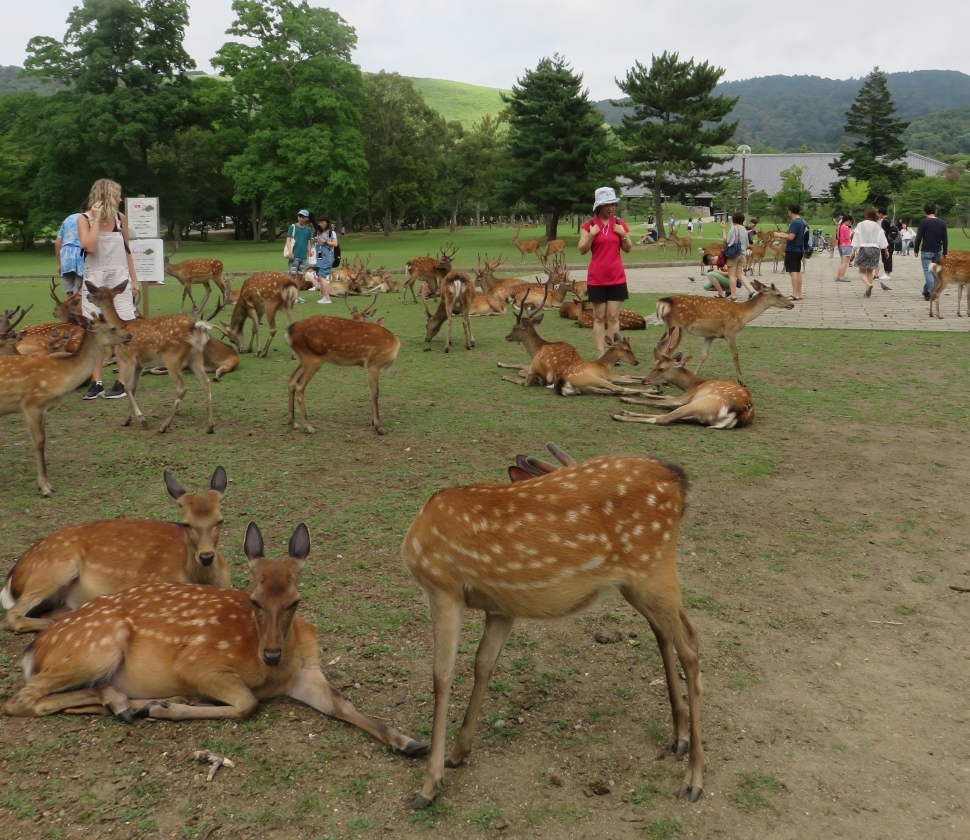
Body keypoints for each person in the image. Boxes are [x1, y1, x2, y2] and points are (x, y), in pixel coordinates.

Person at [76, 178, 139, 400]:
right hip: (95, 279)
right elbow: (90, 247)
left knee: (122, 327)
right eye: (117, 195)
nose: (121, 199)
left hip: (118, 279)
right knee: (95, 331)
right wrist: (94, 219)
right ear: (107, 196)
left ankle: (122, 381)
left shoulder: (120, 220)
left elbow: (127, 251)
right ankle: (97, 382)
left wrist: (134, 279)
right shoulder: (83, 219)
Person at [578, 187, 633, 356]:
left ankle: (615, 352)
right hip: (597, 279)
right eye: (606, 204)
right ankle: (601, 353)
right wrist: (591, 235)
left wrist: (623, 234)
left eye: (613, 204)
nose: (610, 208)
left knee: (613, 317)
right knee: (599, 317)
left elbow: (628, 249)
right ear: (598, 206)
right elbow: (582, 249)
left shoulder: (619, 223)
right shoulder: (589, 225)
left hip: (617, 277)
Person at [769, 203, 807, 301]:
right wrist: (782, 234)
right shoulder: (802, 221)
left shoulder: (795, 222)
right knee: (797, 272)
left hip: (792, 249)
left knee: (793, 272)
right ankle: (799, 293)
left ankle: (795, 294)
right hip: (799, 249)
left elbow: (791, 237)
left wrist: (778, 235)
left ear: (790, 211)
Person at [850, 206, 888, 298]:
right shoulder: (878, 226)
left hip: (863, 248)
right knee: (870, 272)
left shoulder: (860, 224)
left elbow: (856, 238)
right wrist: (886, 250)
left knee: (862, 271)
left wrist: (853, 251)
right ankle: (868, 289)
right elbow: (882, 239)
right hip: (875, 249)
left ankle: (868, 284)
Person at [913, 203, 948, 301]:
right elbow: (945, 239)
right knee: (934, 272)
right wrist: (945, 252)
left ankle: (932, 291)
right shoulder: (942, 222)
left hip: (926, 250)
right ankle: (926, 291)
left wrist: (916, 249)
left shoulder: (923, 222)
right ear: (935, 210)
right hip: (937, 250)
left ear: (924, 212)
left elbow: (919, 237)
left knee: (928, 271)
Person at [719, 212, 755, 300]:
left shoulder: (733, 229)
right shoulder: (744, 229)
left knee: (732, 276)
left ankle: (733, 295)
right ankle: (751, 291)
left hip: (733, 255)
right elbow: (747, 243)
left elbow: (727, 241)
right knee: (739, 275)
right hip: (742, 254)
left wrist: (723, 229)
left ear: (733, 220)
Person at [285, 209, 314, 303]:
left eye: (303, 217)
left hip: (303, 257)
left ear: (306, 218)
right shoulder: (293, 227)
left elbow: (308, 242)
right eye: (300, 216)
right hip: (294, 256)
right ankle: (290, 296)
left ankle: (297, 295)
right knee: (291, 276)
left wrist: (310, 254)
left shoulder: (308, 230)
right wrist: (290, 252)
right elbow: (288, 240)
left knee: (300, 277)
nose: (301, 218)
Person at [54, 210, 85, 296]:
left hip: (66, 259)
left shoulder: (68, 219)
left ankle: (68, 309)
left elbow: (57, 243)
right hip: (81, 258)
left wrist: (59, 264)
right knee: (79, 293)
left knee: (69, 293)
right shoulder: (88, 219)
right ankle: (77, 309)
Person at [313, 217, 338, 304]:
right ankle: (325, 296)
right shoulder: (320, 233)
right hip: (320, 258)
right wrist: (315, 240)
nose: (321, 224)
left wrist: (323, 241)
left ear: (327, 222)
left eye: (322, 222)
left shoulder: (331, 233)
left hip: (327, 258)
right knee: (320, 277)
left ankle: (327, 298)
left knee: (322, 277)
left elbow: (335, 244)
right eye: (319, 222)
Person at [876, 208, 896, 282]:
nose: (877, 215)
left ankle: (886, 273)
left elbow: (883, 232)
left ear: (881, 213)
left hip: (886, 242)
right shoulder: (890, 220)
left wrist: (880, 240)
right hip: (891, 241)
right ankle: (888, 273)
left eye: (878, 213)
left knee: (885, 257)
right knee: (889, 257)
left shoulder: (884, 221)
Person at [835, 214, 853, 282]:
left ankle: (838, 276)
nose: (850, 224)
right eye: (850, 222)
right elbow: (847, 237)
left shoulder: (839, 226)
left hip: (840, 245)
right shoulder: (845, 227)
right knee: (845, 262)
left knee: (842, 262)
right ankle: (842, 277)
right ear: (848, 221)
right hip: (846, 245)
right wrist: (851, 232)